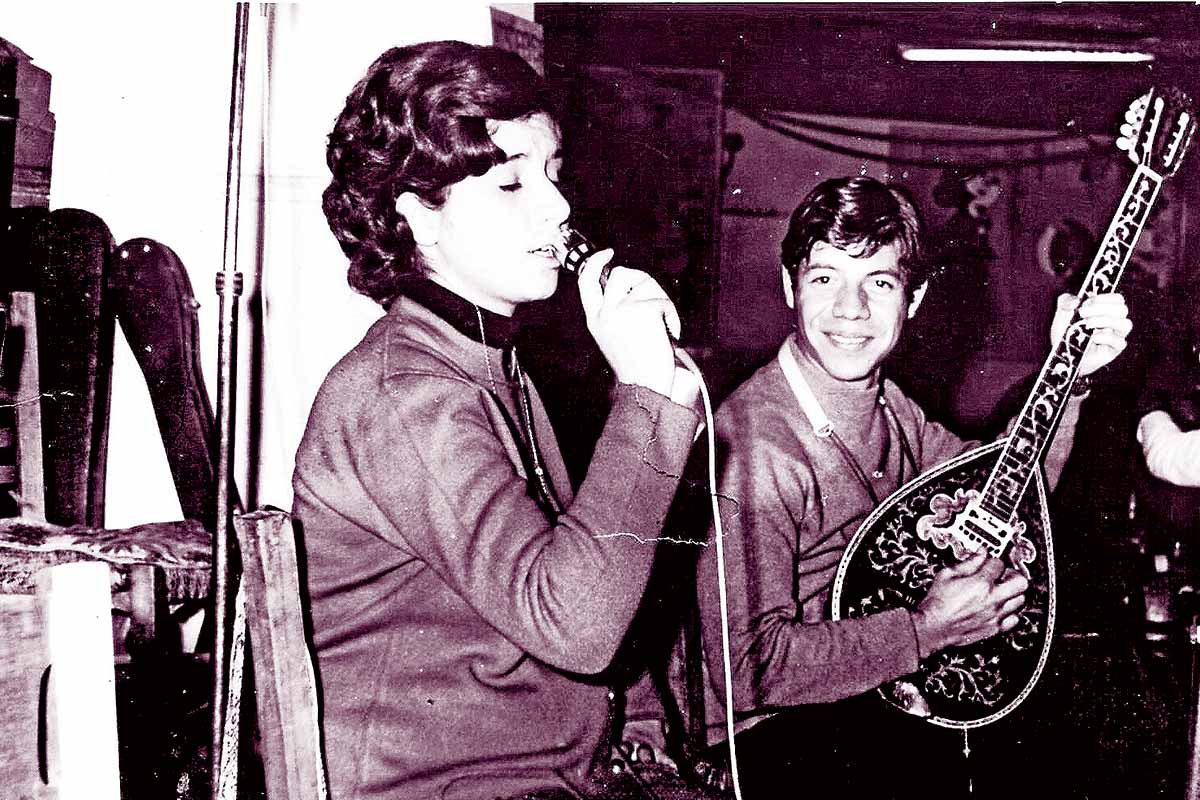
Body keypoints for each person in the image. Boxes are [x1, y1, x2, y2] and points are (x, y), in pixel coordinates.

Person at [293, 41, 701, 800]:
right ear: (418, 217)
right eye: (511, 183)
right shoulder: (407, 395)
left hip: (541, 774)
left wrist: (644, 734)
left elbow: (584, 575)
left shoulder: (484, 359)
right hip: (440, 786)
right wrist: (646, 396)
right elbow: (577, 627)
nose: (558, 207)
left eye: (552, 174)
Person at [694, 176, 1132, 799]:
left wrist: (1071, 376)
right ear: (790, 287)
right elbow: (747, 672)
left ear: (914, 298)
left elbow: (1005, 492)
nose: (851, 309)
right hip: (773, 742)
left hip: (875, 703)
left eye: (879, 282)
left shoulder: (888, 405)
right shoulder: (754, 447)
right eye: (825, 278)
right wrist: (927, 630)